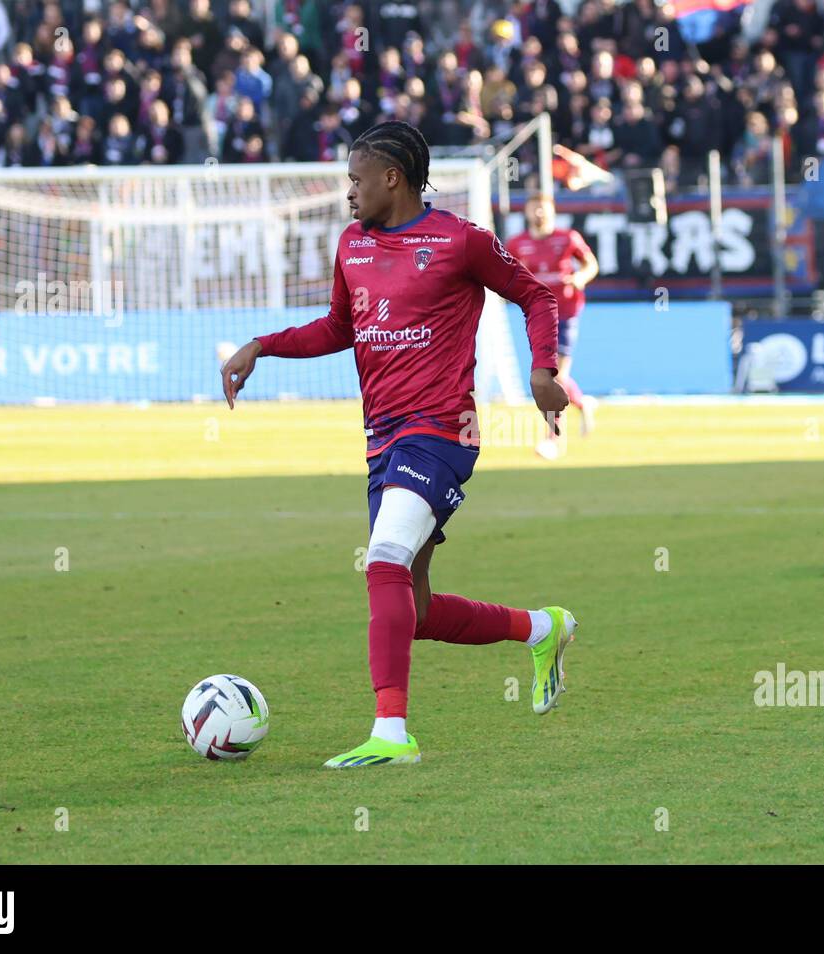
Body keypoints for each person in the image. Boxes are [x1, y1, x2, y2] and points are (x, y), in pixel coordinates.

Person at [219, 121, 578, 767]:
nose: (348, 193)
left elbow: (535, 294)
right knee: (411, 611)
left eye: (356, 179)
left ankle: (392, 734)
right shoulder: (352, 244)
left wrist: (542, 368)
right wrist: (263, 345)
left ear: (392, 177)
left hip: (442, 431)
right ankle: (543, 627)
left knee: (381, 559)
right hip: (383, 440)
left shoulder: (459, 241)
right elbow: (338, 327)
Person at [505, 191, 600, 459]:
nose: (538, 214)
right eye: (534, 208)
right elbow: (505, 274)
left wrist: (581, 277)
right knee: (552, 377)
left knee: (552, 377)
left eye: (543, 209)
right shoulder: (517, 244)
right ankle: (583, 404)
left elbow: (591, 264)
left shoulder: (567, 238)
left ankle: (553, 439)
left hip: (566, 313)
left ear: (552, 212)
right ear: (526, 213)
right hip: (538, 316)